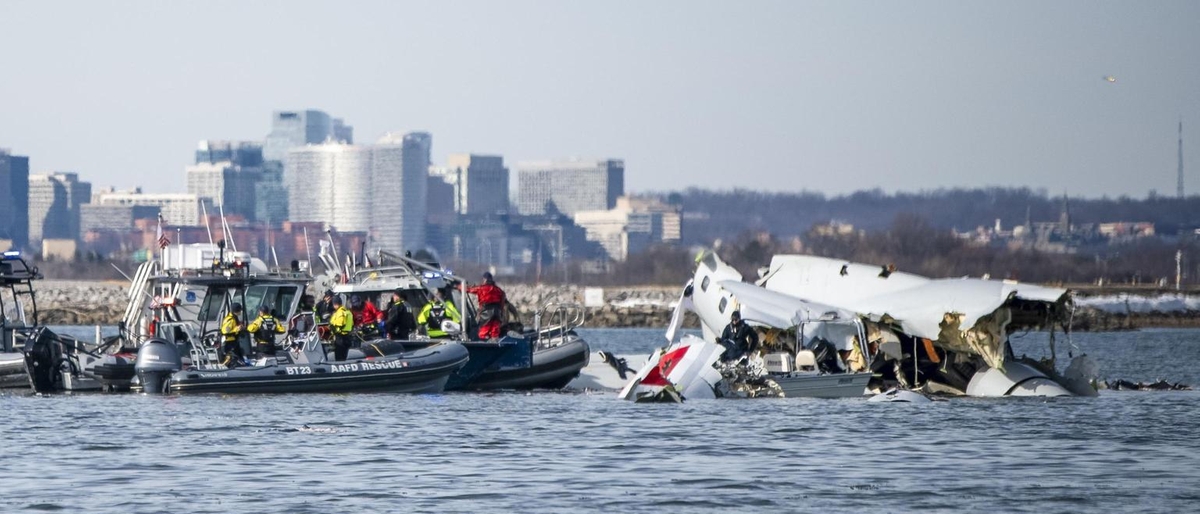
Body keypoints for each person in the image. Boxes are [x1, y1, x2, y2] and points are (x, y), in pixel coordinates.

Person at [467, 271, 507, 340]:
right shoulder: (498, 290)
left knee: (483, 331)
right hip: (497, 312)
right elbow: (502, 301)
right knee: (495, 331)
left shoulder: (481, 288)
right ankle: (495, 344)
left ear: (484, 280)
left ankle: (483, 345)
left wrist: (458, 286)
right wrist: (501, 312)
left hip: (486, 312)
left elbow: (469, 290)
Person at [220, 302, 246, 368]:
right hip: (229, 343)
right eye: (240, 310)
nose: (241, 312)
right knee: (233, 359)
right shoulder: (230, 320)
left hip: (234, 342)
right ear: (237, 310)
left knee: (240, 358)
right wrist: (237, 329)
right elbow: (225, 331)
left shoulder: (234, 318)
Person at [329, 296, 355, 361]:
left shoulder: (340, 312)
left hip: (340, 338)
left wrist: (332, 328)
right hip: (347, 336)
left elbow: (340, 324)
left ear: (335, 304)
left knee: (339, 356)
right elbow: (351, 324)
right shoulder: (347, 312)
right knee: (345, 355)